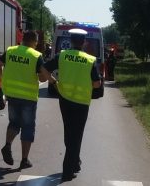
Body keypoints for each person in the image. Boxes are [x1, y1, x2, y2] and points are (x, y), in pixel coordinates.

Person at [41, 28, 101, 182]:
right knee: (76, 135)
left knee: (69, 133)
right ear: (84, 42)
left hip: (65, 100)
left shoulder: (62, 56)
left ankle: (75, 162)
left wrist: (54, 82)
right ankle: (68, 171)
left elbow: (43, 69)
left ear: (71, 41)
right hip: (81, 103)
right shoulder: (90, 59)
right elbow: (96, 84)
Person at [0, 30, 47, 169]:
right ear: (34, 41)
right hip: (28, 98)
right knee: (28, 127)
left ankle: (7, 145)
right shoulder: (36, 55)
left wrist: (3, 81)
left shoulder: (11, 51)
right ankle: (24, 160)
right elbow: (42, 77)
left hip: (12, 94)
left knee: (14, 123)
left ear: (23, 39)